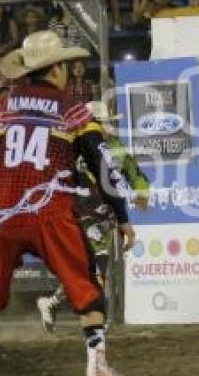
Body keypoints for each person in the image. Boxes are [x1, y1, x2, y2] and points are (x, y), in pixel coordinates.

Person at [0, 31, 135, 376]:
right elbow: (103, 164)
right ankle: (96, 364)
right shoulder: (72, 111)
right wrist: (122, 215)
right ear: (55, 69)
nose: (69, 72)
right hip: (49, 214)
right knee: (84, 284)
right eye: (66, 66)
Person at [37, 101, 150, 333]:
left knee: (90, 265)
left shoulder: (115, 147)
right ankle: (97, 314)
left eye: (109, 122)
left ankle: (53, 302)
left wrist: (141, 192)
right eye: (104, 121)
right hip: (81, 213)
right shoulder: (73, 148)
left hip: (104, 215)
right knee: (98, 261)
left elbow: (134, 172)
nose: (109, 126)